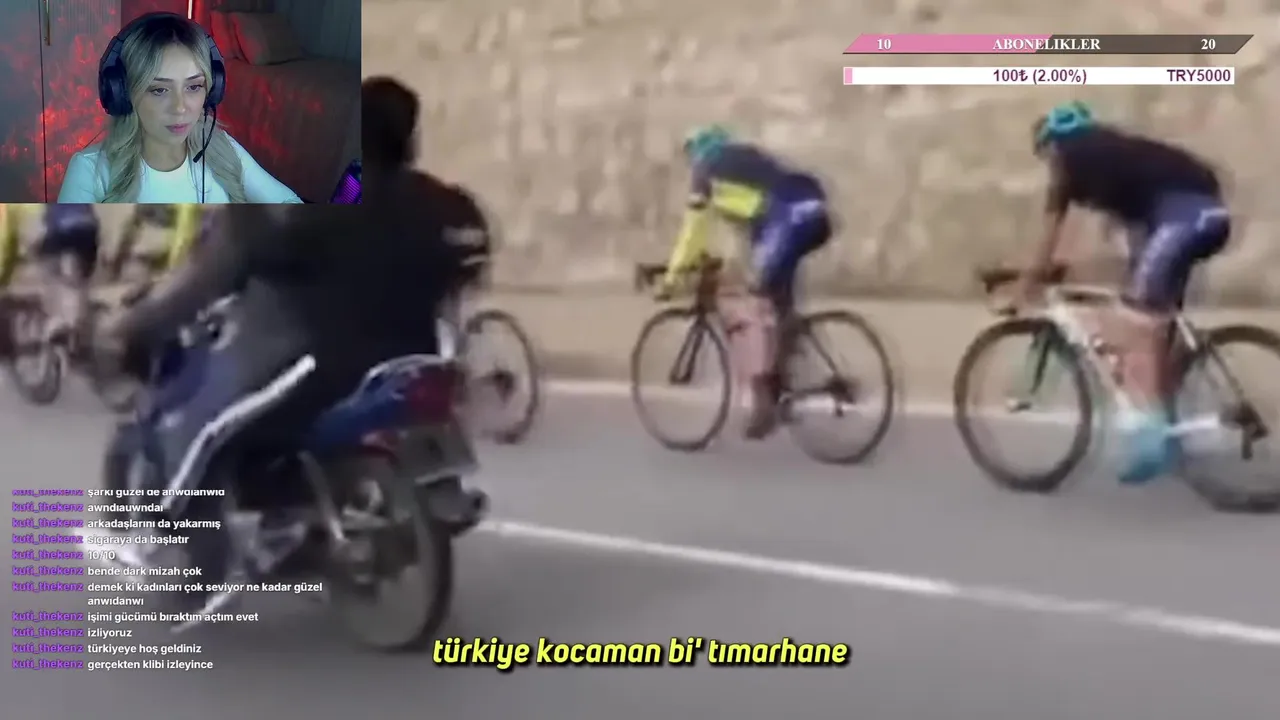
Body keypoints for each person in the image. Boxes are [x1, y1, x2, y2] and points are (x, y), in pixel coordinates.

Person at [90, 80, 479, 617]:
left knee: (196, 428)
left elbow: (204, 282)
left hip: (314, 361)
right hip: (414, 353)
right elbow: (468, 253)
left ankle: (187, 562)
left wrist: (133, 328)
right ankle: (294, 519)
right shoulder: (436, 201)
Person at [1010, 101, 1231, 485]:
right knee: (1154, 323)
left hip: (1182, 220)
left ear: (1052, 144)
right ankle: (1169, 423)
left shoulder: (1073, 159)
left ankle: (1149, 440)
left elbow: (1050, 236)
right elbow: (1134, 240)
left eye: (1045, 155)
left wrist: (1025, 285)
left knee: (1137, 324)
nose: (1049, 167)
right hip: (1206, 217)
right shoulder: (1120, 160)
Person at [658, 125, 834, 439]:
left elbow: (693, 231)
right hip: (813, 213)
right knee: (777, 299)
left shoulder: (706, 172)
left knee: (755, 303)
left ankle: (765, 401)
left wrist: (672, 278)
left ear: (697, 150)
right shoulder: (746, 161)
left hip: (786, 219)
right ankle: (787, 361)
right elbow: (750, 232)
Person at [58, 13, 300, 203]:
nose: (180, 108)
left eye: (193, 87)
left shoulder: (223, 149)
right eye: (159, 90)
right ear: (122, 92)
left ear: (212, 89)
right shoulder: (90, 170)